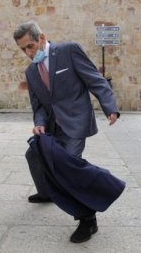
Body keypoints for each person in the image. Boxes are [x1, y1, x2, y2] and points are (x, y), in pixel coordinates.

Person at [13, 20, 120, 243]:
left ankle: (88, 219)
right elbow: (39, 105)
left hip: (75, 123)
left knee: (68, 167)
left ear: (42, 38)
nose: (28, 53)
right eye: (23, 49)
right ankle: (47, 192)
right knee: (33, 155)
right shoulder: (31, 71)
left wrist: (110, 107)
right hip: (51, 127)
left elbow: (95, 80)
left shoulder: (69, 51)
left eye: (30, 46)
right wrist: (39, 122)